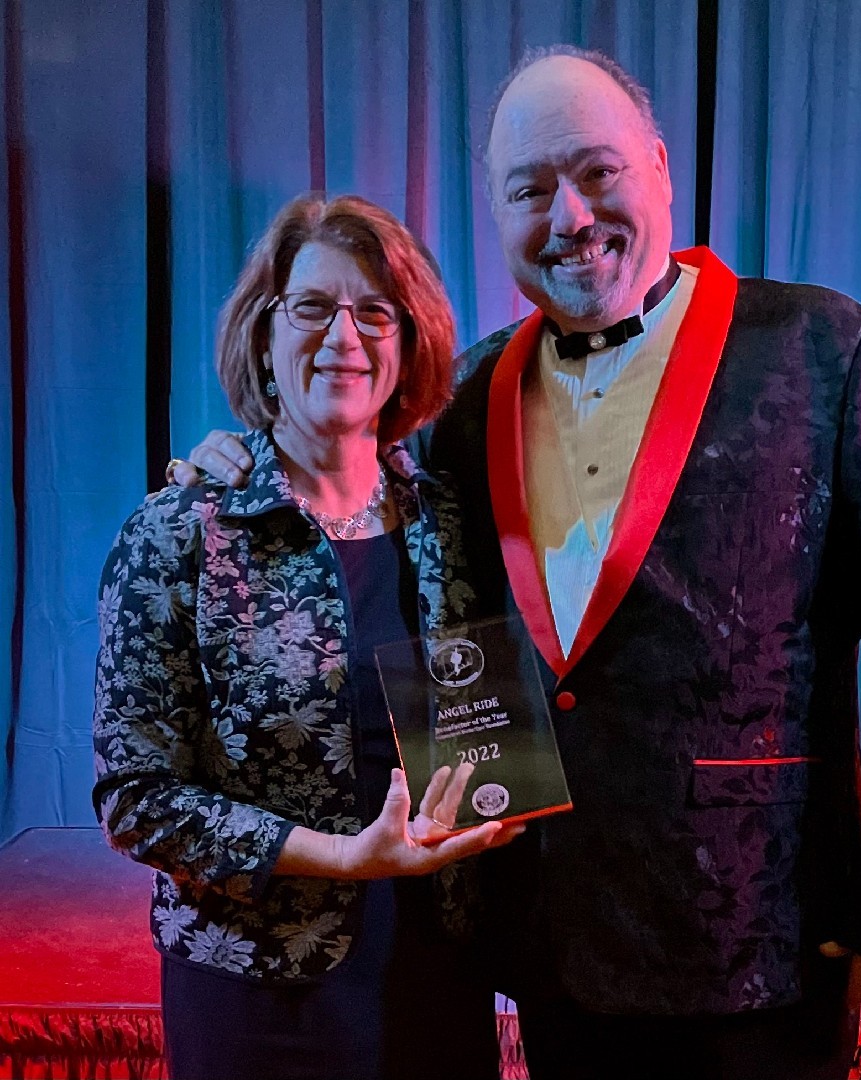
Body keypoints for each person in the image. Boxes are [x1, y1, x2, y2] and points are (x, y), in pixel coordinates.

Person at [174, 47, 861, 1080]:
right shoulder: (463, 397)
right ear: (497, 210)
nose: (569, 216)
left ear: (658, 166)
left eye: (598, 172)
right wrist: (237, 464)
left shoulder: (832, 350)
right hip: (551, 935)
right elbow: (355, 503)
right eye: (531, 189)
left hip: (758, 939)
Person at [92, 194, 523, 1080]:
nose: (345, 337)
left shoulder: (452, 523)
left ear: (409, 346)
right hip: (257, 992)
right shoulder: (183, 529)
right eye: (314, 307)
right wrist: (344, 861)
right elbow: (135, 795)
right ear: (263, 333)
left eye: (375, 311)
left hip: (436, 975)